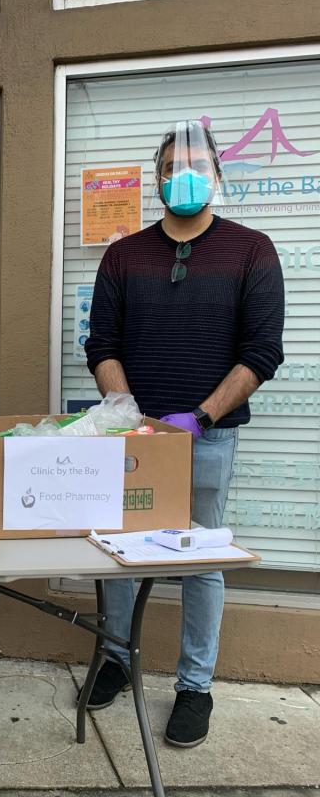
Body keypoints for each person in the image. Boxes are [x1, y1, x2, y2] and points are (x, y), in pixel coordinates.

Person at [84, 120, 284, 748]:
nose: (184, 176)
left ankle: (195, 687)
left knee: (201, 561)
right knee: (118, 550)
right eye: (172, 167)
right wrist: (131, 418)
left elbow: (262, 352)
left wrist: (199, 418)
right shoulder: (124, 254)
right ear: (159, 179)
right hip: (135, 438)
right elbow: (102, 344)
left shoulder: (252, 250)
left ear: (217, 177)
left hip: (209, 438)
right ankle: (115, 658)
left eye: (197, 165)